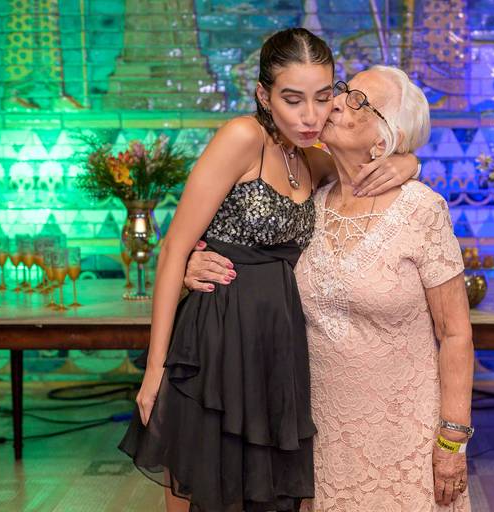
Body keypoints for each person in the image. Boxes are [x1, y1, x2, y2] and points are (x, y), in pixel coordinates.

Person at [118, 28, 418, 512]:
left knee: (267, 496)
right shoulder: (243, 138)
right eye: (292, 100)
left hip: (278, 345)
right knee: (205, 490)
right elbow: (173, 249)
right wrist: (154, 372)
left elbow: (370, 166)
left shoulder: (312, 158)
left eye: (323, 97)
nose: (310, 115)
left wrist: (409, 163)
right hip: (218, 336)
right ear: (264, 95)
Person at [185, 65, 474, 511]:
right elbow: (250, 253)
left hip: (404, 442)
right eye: (342, 90)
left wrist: (452, 440)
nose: (335, 103)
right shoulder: (309, 201)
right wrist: (195, 260)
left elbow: (455, 332)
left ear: (385, 139)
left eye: (358, 101)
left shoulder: (423, 209)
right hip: (316, 440)